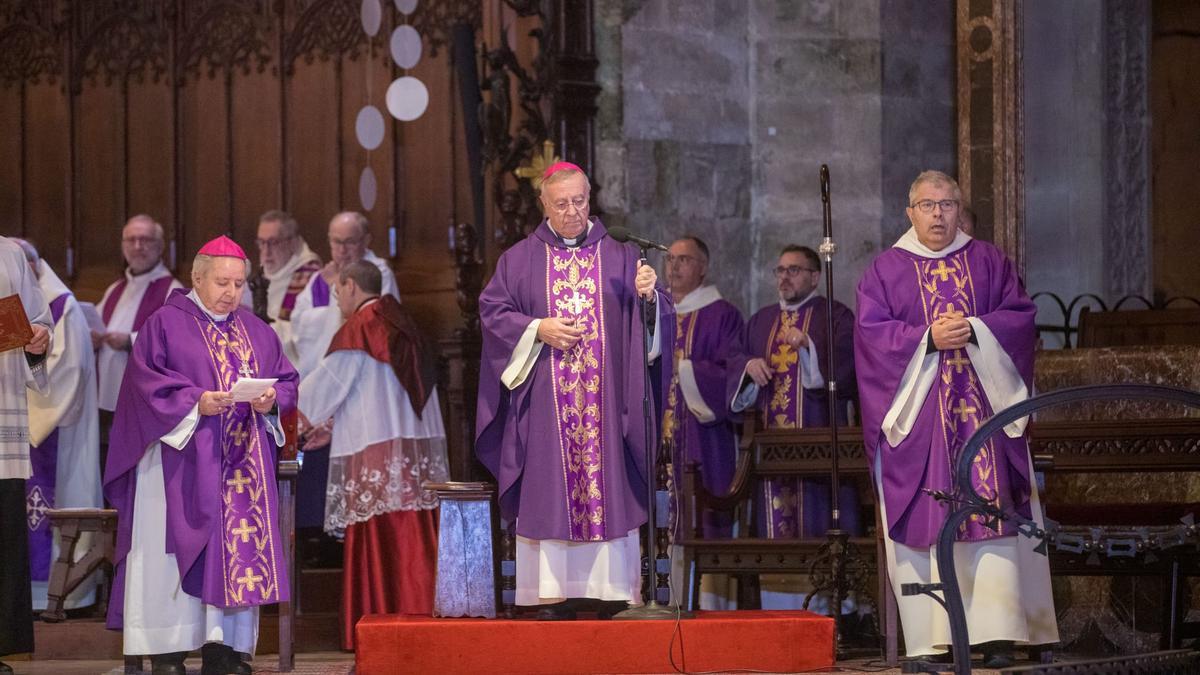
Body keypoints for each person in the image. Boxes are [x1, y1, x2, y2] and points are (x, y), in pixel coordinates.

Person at [855, 170, 1057, 666]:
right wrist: (926, 339)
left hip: (984, 415)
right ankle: (933, 638)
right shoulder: (885, 270)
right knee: (930, 515)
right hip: (921, 421)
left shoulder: (988, 260)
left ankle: (997, 632)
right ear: (910, 212)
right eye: (927, 205)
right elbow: (870, 336)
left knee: (991, 511)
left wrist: (976, 328)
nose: (938, 214)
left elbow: (1020, 317)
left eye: (946, 205)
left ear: (959, 207)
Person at [476, 162, 673, 619]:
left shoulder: (622, 255)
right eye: (561, 203)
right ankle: (549, 594)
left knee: (609, 483)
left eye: (579, 201)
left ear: (590, 198)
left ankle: (610, 590)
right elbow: (492, 314)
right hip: (546, 407)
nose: (572, 212)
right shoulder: (519, 259)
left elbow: (653, 329)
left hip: (607, 409)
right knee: (548, 486)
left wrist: (651, 299)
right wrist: (536, 328)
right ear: (543, 205)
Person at [104, 236, 298, 675]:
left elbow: (287, 379)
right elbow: (144, 385)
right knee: (165, 554)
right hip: (178, 464)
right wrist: (197, 403)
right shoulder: (165, 324)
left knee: (236, 554)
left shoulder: (256, 329)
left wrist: (272, 397)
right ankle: (168, 652)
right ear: (197, 278)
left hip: (241, 468)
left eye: (239, 283)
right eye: (222, 282)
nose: (231, 292)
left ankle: (225, 651)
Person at [298, 261, 448, 649]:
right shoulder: (406, 324)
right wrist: (331, 425)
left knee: (381, 541)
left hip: (377, 457)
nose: (338, 301)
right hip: (412, 454)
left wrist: (283, 410)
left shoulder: (360, 328)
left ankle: (382, 629)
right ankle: (423, 619)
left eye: (337, 292)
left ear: (350, 286)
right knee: (417, 537)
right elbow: (379, 392)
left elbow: (328, 385)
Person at [729, 245, 860, 540]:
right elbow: (735, 359)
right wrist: (748, 366)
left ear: (815, 277)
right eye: (780, 270)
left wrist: (810, 346)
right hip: (769, 452)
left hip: (819, 445)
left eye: (794, 270)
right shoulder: (761, 321)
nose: (784, 277)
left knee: (820, 520)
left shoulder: (834, 316)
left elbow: (848, 365)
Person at [289, 211, 399, 553]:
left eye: (350, 241)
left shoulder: (376, 273)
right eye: (336, 242)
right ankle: (319, 540)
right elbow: (297, 324)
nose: (342, 249)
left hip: (360, 390)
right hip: (328, 382)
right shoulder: (318, 279)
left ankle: (343, 542)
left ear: (366, 241)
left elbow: (370, 323)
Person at [13, 240, 103, 611]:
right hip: (15, 434)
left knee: (50, 505)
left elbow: (69, 372)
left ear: (34, 267)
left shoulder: (62, 309)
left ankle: (62, 595)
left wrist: (17, 397)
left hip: (57, 435)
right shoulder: (10, 308)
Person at [661, 235, 743, 609]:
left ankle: (711, 606)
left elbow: (730, 373)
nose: (674, 266)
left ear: (703, 267)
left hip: (705, 439)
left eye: (684, 260)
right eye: (670, 260)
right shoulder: (656, 313)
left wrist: (685, 370)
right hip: (662, 440)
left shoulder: (722, 313)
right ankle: (664, 599)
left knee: (705, 514)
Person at [94, 215, 184, 468]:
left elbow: (176, 340)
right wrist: (92, 338)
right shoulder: (114, 289)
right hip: (106, 398)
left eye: (145, 240)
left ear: (160, 245)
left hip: (142, 401)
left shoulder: (171, 289)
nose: (137, 246)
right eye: (131, 240)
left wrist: (130, 341)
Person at [0, 236, 51, 675]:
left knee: (3, 537)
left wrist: (39, 339)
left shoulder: (10, 254)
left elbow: (37, 321)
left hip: (2, 417)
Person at [243, 210, 322, 365]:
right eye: (261, 242)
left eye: (273, 242)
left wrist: (255, 325)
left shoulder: (309, 278)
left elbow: (301, 336)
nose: (266, 251)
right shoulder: (260, 275)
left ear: (292, 243)